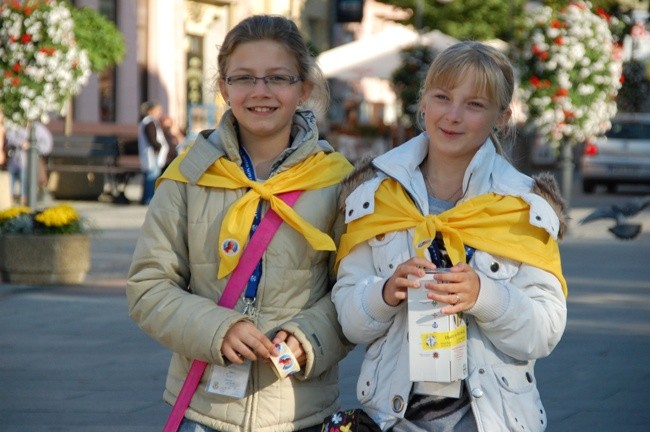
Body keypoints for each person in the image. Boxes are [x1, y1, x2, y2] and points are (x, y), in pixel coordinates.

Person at [126, 15, 354, 432]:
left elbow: (356, 291)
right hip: (205, 409)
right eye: (244, 77)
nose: (260, 92)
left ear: (303, 89)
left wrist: (309, 337)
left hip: (299, 411)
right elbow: (147, 286)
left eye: (278, 78)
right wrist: (217, 329)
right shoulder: (189, 174)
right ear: (223, 87)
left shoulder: (338, 181)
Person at [332, 41, 568, 431]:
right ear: (423, 102)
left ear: (502, 116)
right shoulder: (376, 197)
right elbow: (349, 321)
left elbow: (543, 333)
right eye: (442, 97)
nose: (453, 116)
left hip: (489, 419)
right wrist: (386, 292)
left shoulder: (523, 206)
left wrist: (484, 296)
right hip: (391, 418)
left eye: (475, 104)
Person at [4, 121, 52, 204]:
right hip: (14, 160)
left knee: (25, 176)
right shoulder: (15, 125)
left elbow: (47, 145)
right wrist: (20, 143)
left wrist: (33, 147)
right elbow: (8, 137)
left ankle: (24, 197)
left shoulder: (38, 128)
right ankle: (10, 198)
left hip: (29, 161)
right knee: (11, 178)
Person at [138, 101, 169, 205]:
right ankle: (148, 198)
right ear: (150, 111)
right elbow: (152, 139)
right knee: (151, 177)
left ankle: (147, 198)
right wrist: (160, 146)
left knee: (150, 176)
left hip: (151, 154)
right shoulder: (149, 122)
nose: (159, 112)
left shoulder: (147, 122)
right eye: (157, 110)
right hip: (152, 154)